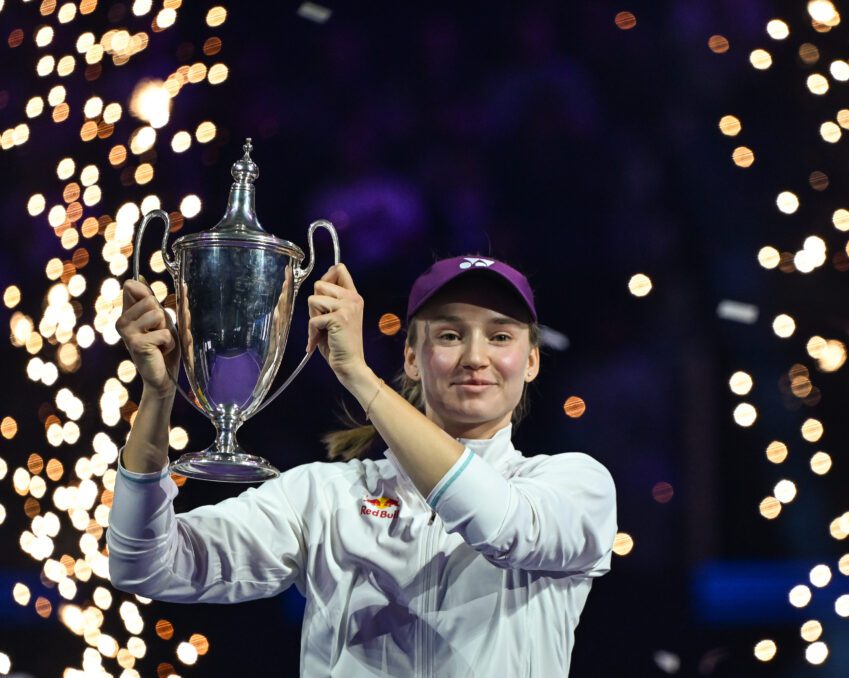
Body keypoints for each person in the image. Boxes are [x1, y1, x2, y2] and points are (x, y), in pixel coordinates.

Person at [108, 255, 618, 677]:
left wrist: (358, 375)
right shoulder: (324, 495)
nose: (475, 357)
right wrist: (157, 397)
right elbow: (147, 565)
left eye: (501, 337)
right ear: (414, 359)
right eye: (449, 335)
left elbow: (501, 525)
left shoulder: (576, 485)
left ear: (530, 361)